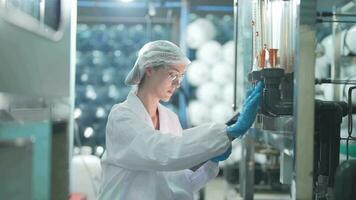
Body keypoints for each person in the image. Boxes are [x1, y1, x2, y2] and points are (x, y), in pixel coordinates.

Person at [97, 40, 262, 200]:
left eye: (181, 76)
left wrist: (208, 159)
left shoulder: (170, 119)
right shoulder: (122, 117)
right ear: (149, 69)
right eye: (172, 74)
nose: (177, 83)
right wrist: (224, 134)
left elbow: (178, 181)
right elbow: (161, 152)